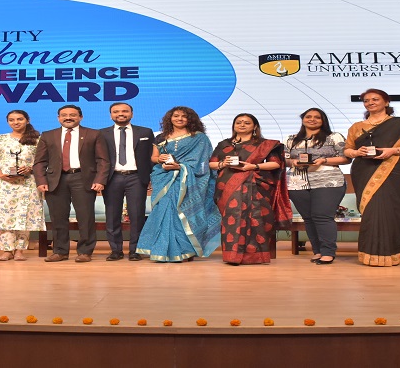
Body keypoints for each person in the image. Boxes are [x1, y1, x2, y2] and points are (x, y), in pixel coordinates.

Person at [343, 89, 400, 267]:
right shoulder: (356, 127)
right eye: (366, 100)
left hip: (395, 170)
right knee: (371, 212)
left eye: (375, 99)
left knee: (393, 210)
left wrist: (393, 151)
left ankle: (392, 253)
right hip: (364, 170)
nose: (370, 102)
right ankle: (369, 254)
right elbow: (347, 150)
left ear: (386, 102)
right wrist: (357, 152)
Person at [136, 106, 221, 262]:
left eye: (184, 116)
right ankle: (161, 250)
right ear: (170, 118)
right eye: (176, 116)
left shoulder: (199, 138)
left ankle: (185, 251)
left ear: (190, 119)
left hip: (187, 180)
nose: (179, 119)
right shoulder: (161, 137)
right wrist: (159, 159)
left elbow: (203, 162)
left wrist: (181, 167)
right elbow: (154, 157)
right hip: (164, 178)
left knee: (183, 212)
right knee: (163, 212)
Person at [209, 113, 290, 265]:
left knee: (256, 218)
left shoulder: (264, 144)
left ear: (255, 126)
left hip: (256, 185)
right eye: (239, 122)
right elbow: (212, 163)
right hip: (227, 186)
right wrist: (223, 164)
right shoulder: (224, 144)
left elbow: (276, 164)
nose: (242, 125)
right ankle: (232, 256)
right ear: (234, 125)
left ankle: (255, 256)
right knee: (231, 219)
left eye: (247, 123)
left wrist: (254, 166)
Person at [32, 105, 110, 262]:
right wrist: (41, 180)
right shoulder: (48, 135)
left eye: (73, 115)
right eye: (64, 115)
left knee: (85, 217)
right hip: (55, 180)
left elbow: (103, 160)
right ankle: (60, 251)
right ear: (58, 118)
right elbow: (39, 161)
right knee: (58, 218)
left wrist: (100, 180)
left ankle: (85, 251)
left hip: (83, 178)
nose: (68, 117)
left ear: (80, 117)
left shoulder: (94, 134)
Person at [285, 108, 350, 265]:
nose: (312, 119)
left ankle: (328, 252)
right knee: (308, 218)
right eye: (308, 116)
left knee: (322, 216)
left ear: (323, 120)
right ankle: (318, 251)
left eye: (317, 117)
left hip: (328, 182)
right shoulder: (291, 139)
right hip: (297, 182)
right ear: (303, 119)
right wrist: (293, 162)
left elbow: (346, 158)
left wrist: (324, 161)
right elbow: (284, 159)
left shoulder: (334, 137)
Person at [0, 110, 45, 261]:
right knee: (4, 216)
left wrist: (30, 168)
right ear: (7, 122)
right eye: (12, 120)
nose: (16, 122)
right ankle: (7, 250)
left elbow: (42, 161)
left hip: (27, 183)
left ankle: (20, 250)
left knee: (24, 216)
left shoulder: (37, 139)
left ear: (27, 120)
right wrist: (1, 175)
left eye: (20, 119)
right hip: (2, 184)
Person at [100, 102, 155, 261]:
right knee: (112, 215)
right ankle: (115, 250)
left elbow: (151, 155)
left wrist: (150, 176)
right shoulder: (102, 133)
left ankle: (135, 250)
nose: (120, 114)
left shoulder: (145, 132)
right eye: (116, 111)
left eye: (125, 111)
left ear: (132, 113)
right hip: (112, 177)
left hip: (136, 177)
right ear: (111, 115)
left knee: (137, 215)